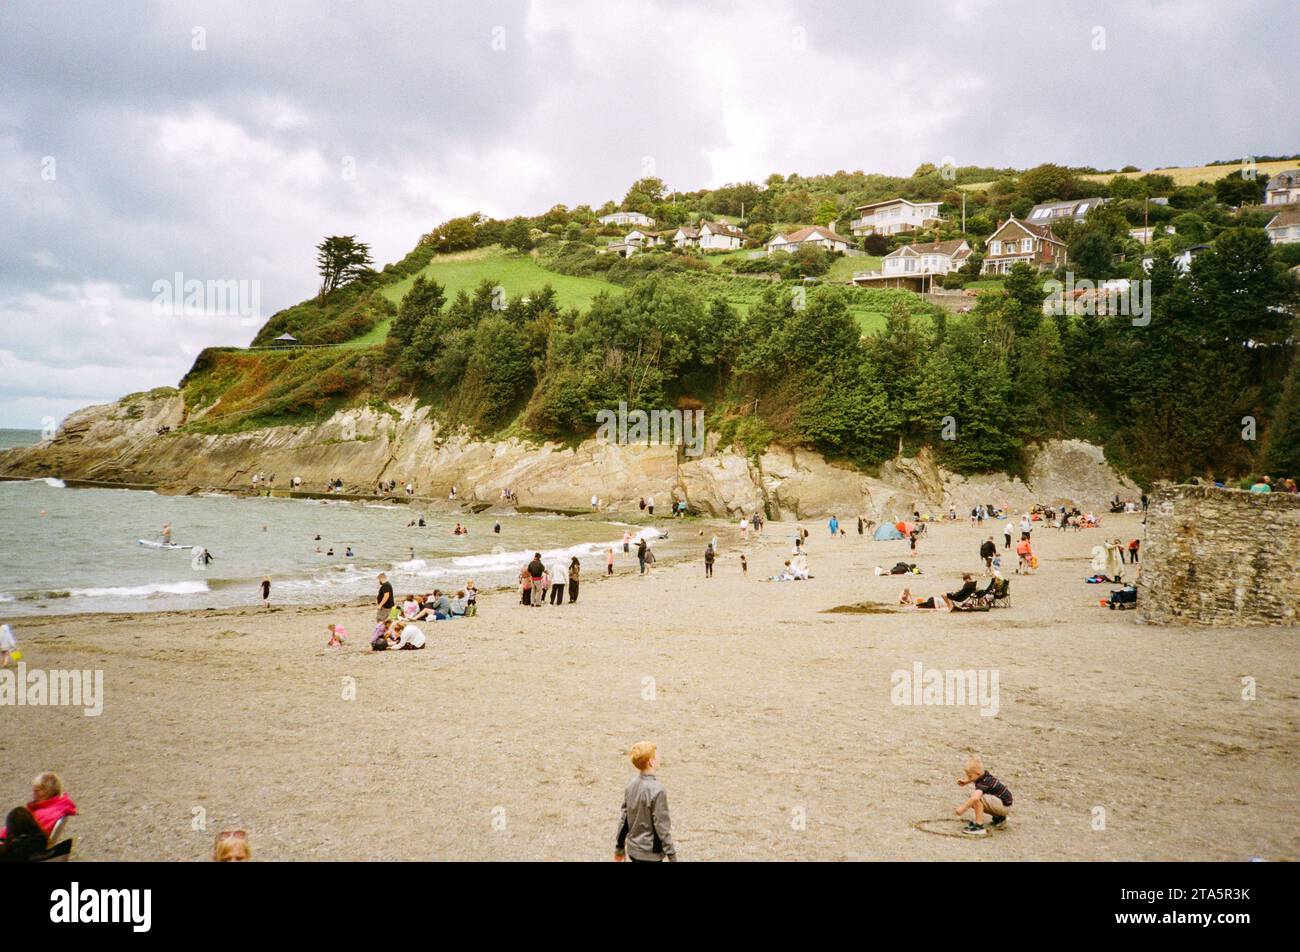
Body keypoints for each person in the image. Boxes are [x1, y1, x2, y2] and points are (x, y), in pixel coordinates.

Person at [614, 742, 676, 863]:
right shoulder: (658, 790)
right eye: (657, 755)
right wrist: (672, 855)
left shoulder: (631, 785)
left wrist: (619, 847)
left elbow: (624, 819)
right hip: (650, 854)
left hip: (633, 851)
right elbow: (662, 826)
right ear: (651, 762)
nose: (660, 757)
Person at [955, 755, 1013, 836]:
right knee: (975, 800)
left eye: (970, 776)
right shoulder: (984, 776)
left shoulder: (984, 782)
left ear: (978, 773)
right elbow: (975, 778)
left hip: (1004, 806)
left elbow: (975, 798)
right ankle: (1000, 819)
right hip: (1004, 804)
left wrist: (962, 809)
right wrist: (966, 782)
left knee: (977, 799)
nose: (968, 777)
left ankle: (979, 826)